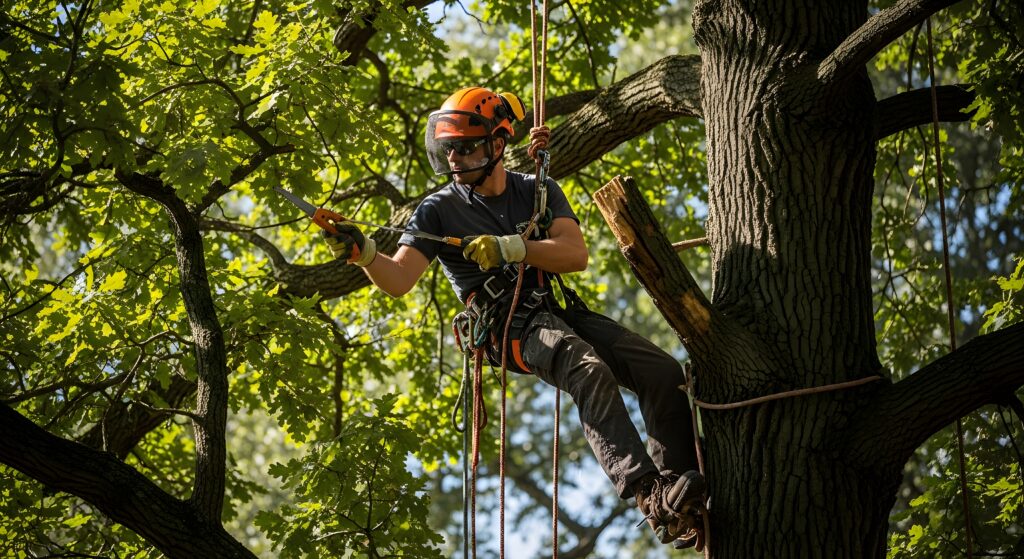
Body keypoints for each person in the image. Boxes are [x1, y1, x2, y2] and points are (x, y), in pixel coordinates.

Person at [324, 86, 706, 548]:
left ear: (497, 145)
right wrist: (364, 253)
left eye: (465, 148)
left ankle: (682, 499)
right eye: (449, 151)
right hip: (510, 329)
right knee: (587, 368)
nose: (455, 160)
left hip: (555, 310)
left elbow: (575, 253)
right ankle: (648, 494)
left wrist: (516, 246)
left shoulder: (536, 191)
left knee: (662, 371)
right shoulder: (439, 208)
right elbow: (401, 277)